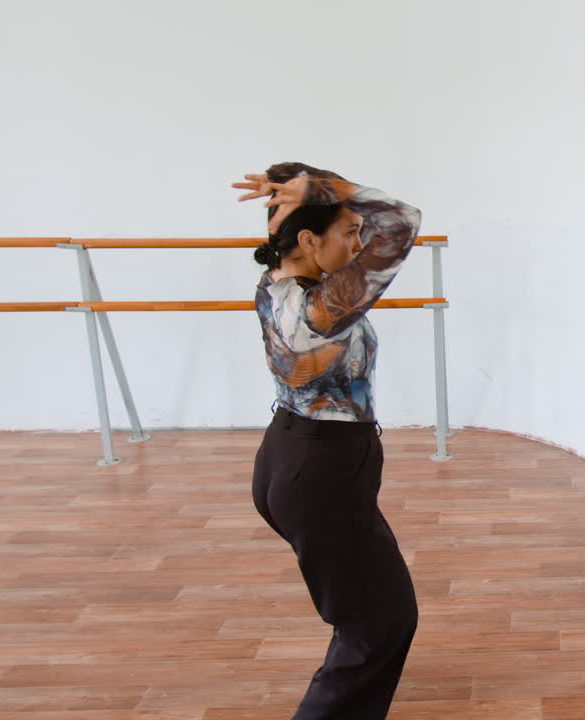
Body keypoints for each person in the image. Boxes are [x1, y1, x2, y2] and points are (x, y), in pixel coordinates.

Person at [234, 162, 422, 719]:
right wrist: (323, 188)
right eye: (347, 231)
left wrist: (302, 184)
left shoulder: (279, 285)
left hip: (290, 459)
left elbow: (371, 227)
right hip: (322, 473)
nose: (360, 239)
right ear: (310, 240)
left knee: (372, 613)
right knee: (377, 623)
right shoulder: (323, 311)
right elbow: (401, 222)